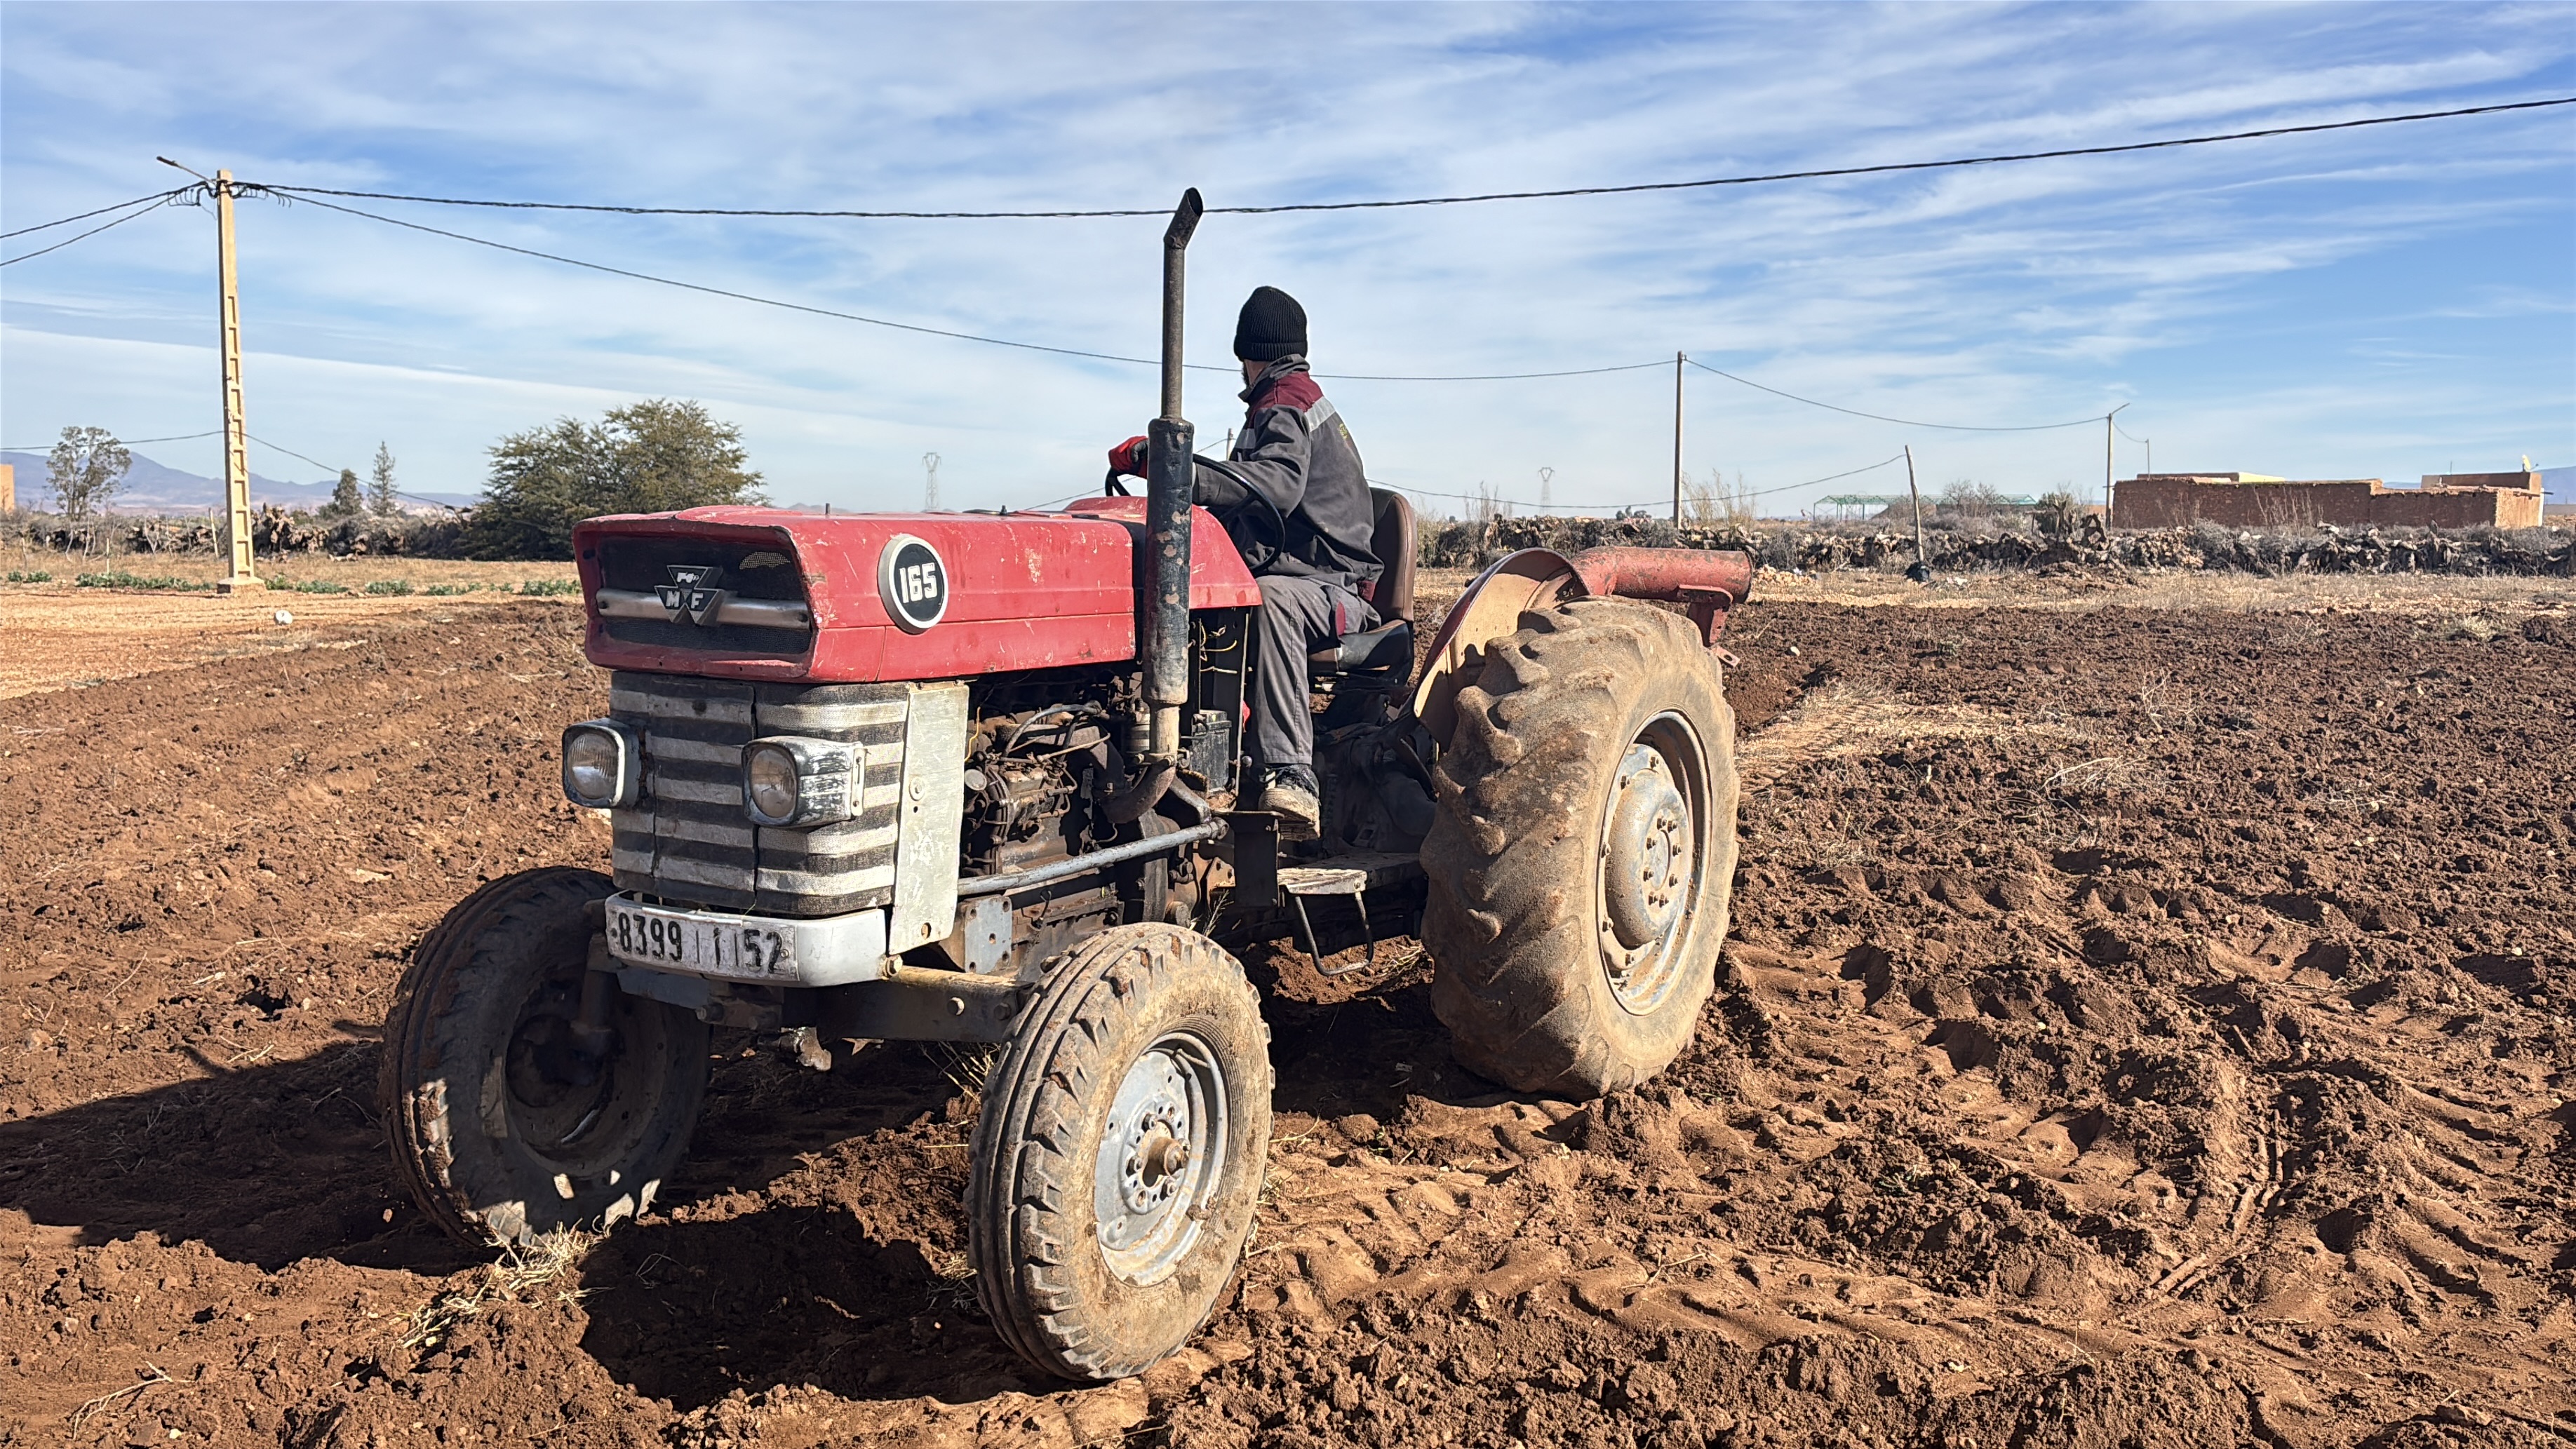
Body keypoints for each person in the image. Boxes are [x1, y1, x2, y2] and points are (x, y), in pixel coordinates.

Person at [1107, 285, 1381, 840]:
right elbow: (1249, 505)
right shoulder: (1282, 401)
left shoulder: (1286, 402)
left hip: (1333, 586)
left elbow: (1276, 486)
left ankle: (1291, 773)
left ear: (1250, 353)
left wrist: (1175, 468)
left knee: (1270, 599)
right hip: (1303, 570)